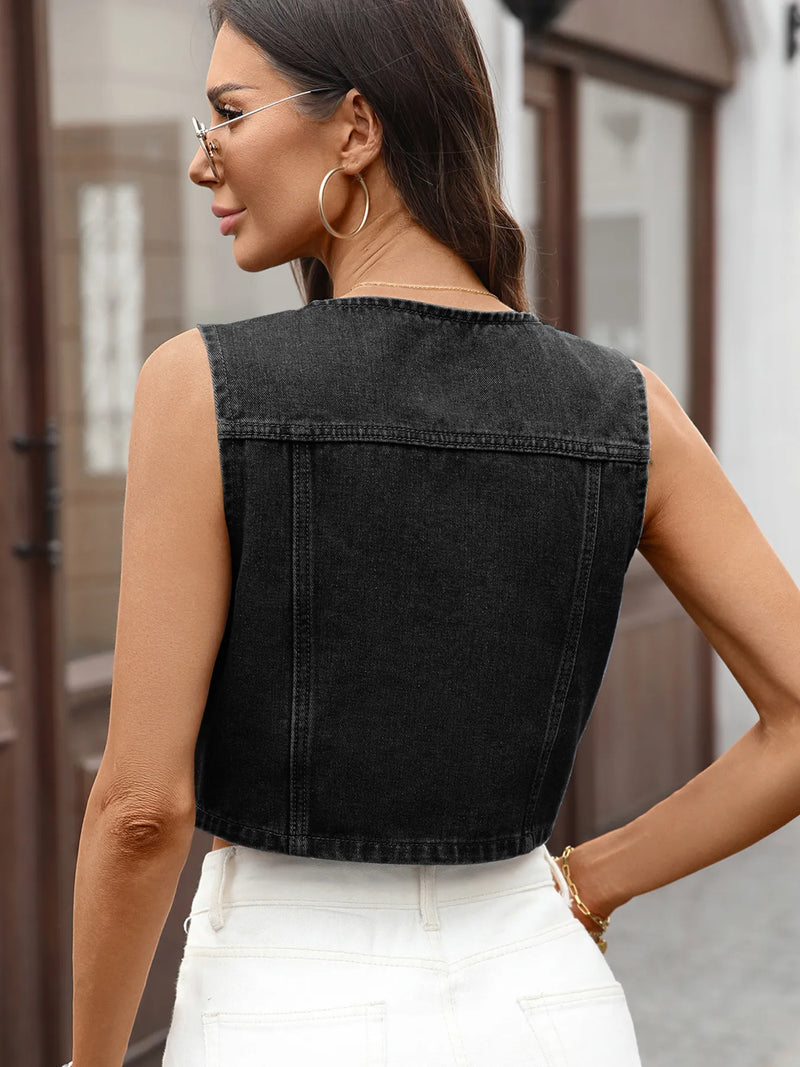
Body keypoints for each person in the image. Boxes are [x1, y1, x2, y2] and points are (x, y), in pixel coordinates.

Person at [64, 1, 800, 1066]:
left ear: (356, 128)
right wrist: (589, 880)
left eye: (227, 113)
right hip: (547, 1007)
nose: (201, 158)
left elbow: (140, 812)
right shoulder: (626, 407)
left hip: (286, 1006)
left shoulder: (202, 388)